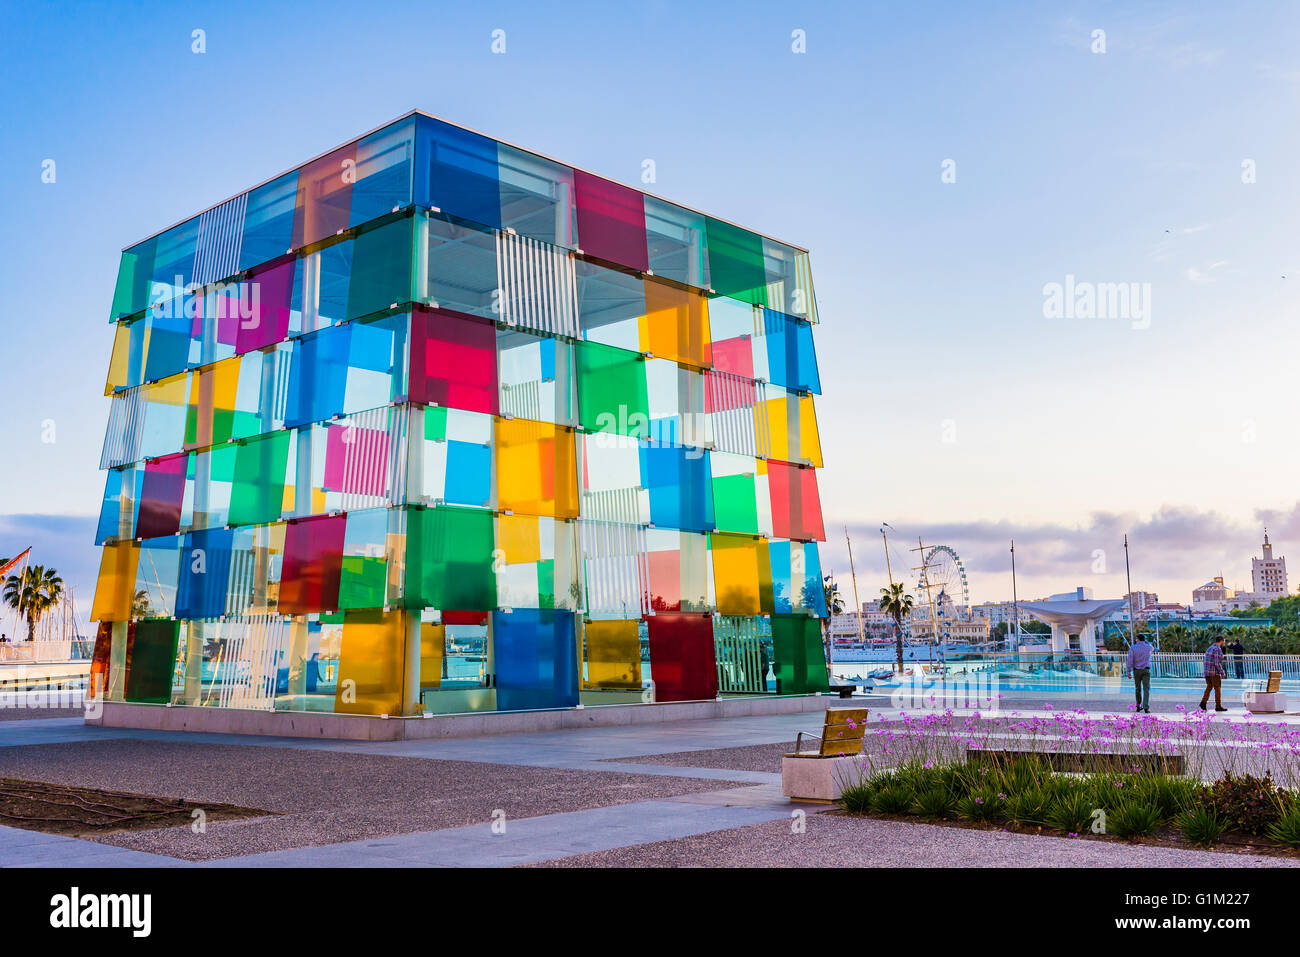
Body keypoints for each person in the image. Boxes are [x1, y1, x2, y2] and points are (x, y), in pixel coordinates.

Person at [1126, 634, 1153, 713]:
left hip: (1136, 670)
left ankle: (1138, 706)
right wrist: (1146, 642)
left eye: (1136, 639)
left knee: (1138, 689)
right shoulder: (1148, 647)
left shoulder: (1133, 648)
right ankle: (1146, 707)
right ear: (1144, 640)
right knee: (1146, 689)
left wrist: (1128, 671)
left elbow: (1130, 660)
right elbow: (1152, 648)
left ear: (1137, 639)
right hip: (1146, 670)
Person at [1199, 636, 1228, 711]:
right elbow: (1217, 662)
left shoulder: (1210, 647)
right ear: (1221, 641)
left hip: (1207, 671)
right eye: (1224, 641)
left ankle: (1203, 703)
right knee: (1217, 688)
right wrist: (1222, 672)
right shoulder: (1217, 649)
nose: (1224, 643)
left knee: (1209, 686)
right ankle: (1218, 706)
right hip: (1214, 672)